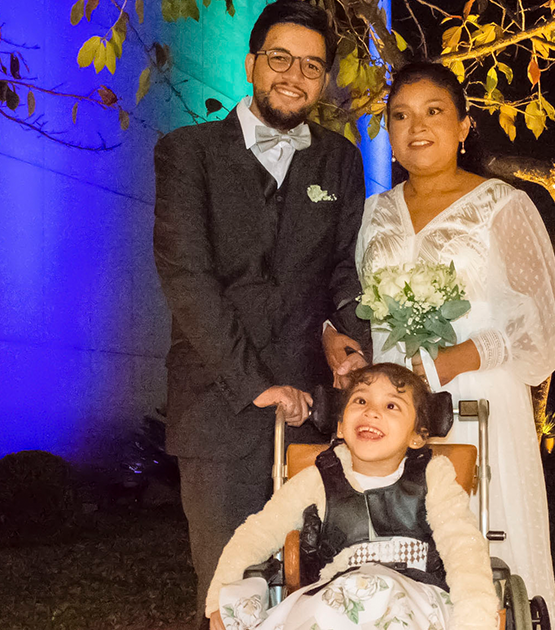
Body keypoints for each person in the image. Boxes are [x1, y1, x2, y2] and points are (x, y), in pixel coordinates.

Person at [152, 1, 369, 623]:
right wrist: (255, 385)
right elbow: (187, 279)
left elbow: (341, 271)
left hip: (312, 413)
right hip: (218, 405)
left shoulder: (340, 160)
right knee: (230, 588)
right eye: (280, 58)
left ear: (324, 80)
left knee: (316, 584)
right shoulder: (186, 152)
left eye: (311, 65)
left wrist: (345, 336)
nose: (293, 75)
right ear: (251, 64)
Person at [356, 62, 555, 629]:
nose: (416, 127)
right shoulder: (376, 213)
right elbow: (363, 310)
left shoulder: (504, 205)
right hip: (393, 410)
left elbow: (541, 329)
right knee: (395, 556)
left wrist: (454, 360)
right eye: (400, 115)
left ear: (464, 126)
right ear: (389, 133)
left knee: (483, 557)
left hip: (478, 403)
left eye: (434, 112)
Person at [207, 363, 499, 630]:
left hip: (413, 592)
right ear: (340, 424)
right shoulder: (318, 478)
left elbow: (463, 548)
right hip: (336, 595)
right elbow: (257, 533)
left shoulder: (433, 475)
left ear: (417, 436)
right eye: (360, 400)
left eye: (391, 405)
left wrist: (475, 618)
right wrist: (220, 594)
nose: (371, 412)